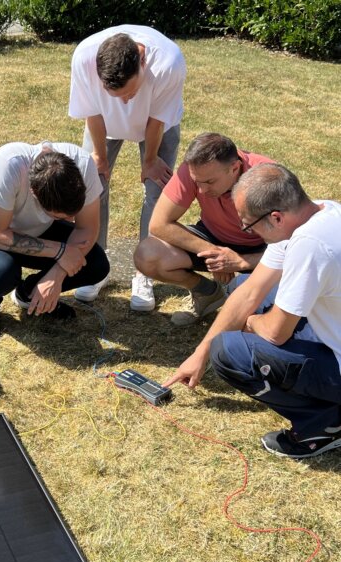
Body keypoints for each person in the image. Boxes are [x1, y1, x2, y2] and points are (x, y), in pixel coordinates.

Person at [165, 163, 341, 459]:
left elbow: (274, 332)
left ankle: (323, 428)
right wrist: (199, 354)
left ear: (275, 217)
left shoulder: (309, 245)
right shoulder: (321, 213)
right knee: (244, 284)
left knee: (229, 350)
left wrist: (251, 324)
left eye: (248, 224)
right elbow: (250, 291)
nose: (248, 231)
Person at [68, 25, 186, 309]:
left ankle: (144, 271)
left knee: (158, 193)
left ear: (142, 62)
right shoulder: (84, 56)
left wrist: (150, 161)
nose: (124, 102)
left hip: (158, 125)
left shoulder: (169, 62)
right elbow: (93, 112)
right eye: (116, 95)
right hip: (103, 127)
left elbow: (156, 121)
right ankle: (96, 265)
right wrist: (99, 156)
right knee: (92, 189)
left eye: (130, 94)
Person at [0, 141, 109, 342]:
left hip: (37, 229)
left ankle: (30, 295)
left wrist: (57, 274)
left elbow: (86, 228)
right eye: (61, 217)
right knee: (1, 273)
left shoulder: (83, 165)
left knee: (95, 263)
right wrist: (61, 251)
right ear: (34, 192)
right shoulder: (8, 165)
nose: (69, 220)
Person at [134, 132, 273, 325]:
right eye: (196, 182)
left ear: (234, 168)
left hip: (263, 247)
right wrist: (215, 254)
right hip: (212, 236)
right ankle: (208, 293)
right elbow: (159, 224)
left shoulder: (268, 177)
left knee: (252, 321)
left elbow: (294, 249)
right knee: (147, 254)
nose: (201, 190)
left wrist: (242, 262)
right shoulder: (195, 170)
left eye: (209, 182)